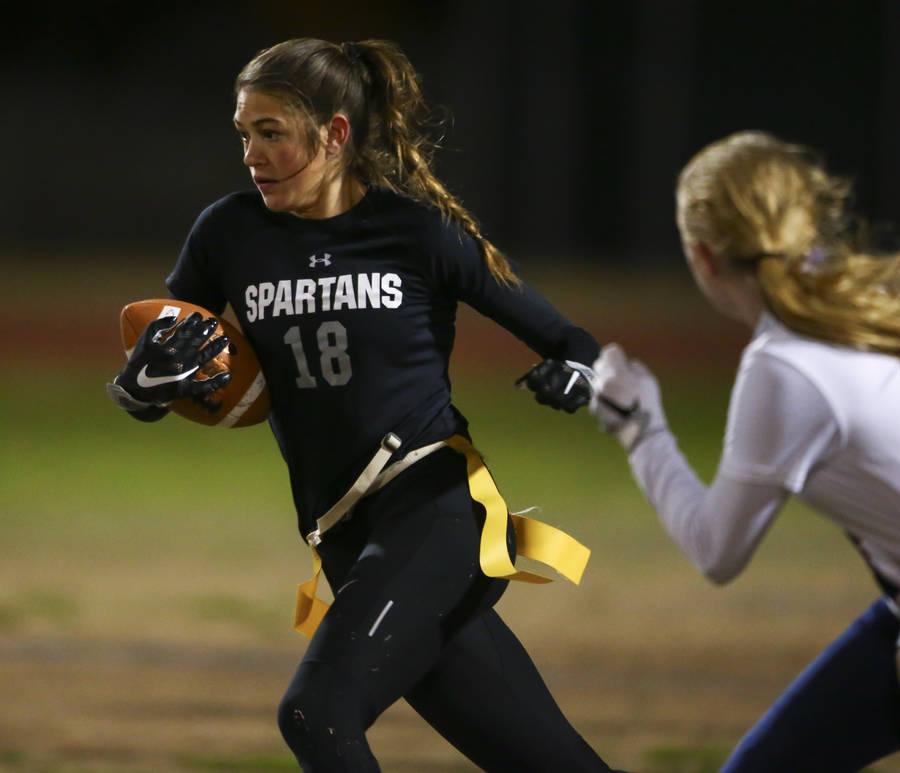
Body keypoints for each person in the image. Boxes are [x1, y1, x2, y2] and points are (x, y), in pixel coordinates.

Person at [107, 37, 624, 773]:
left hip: (433, 511)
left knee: (316, 715)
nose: (251, 155)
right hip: (343, 533)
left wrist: (574, 374)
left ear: (335, 133)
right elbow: (169, 372)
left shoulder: (416, 231)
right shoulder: (227, 232)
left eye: (271, 133)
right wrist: (138, 387)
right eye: (244, 134)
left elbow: (573, 342)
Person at [590, 130, 900, 772]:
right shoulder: (856, 301)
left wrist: (640, 428)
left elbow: (717, 552)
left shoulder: (781, 365)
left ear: (704, 257)